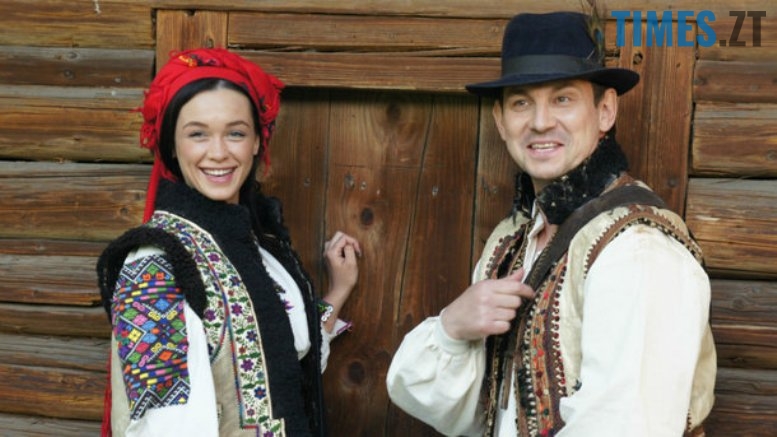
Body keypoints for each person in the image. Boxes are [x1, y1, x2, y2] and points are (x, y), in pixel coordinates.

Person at [386, 11, 716, 437]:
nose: (540, 122)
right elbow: (469, 414)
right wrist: (452, 328)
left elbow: (623, 426)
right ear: (500, 120)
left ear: (605, 111)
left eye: (563, 99)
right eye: (521, 103)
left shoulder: (637, 249)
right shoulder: (513, 239)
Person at [96, 48, 361, 436]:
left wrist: (338, 291)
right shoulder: (155, 267)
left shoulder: (260, 247)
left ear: (256, 142)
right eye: (198, 134)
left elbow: (287, 367)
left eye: (236, 133)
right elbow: (163, 427)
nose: (218, 153)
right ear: (172, 146)